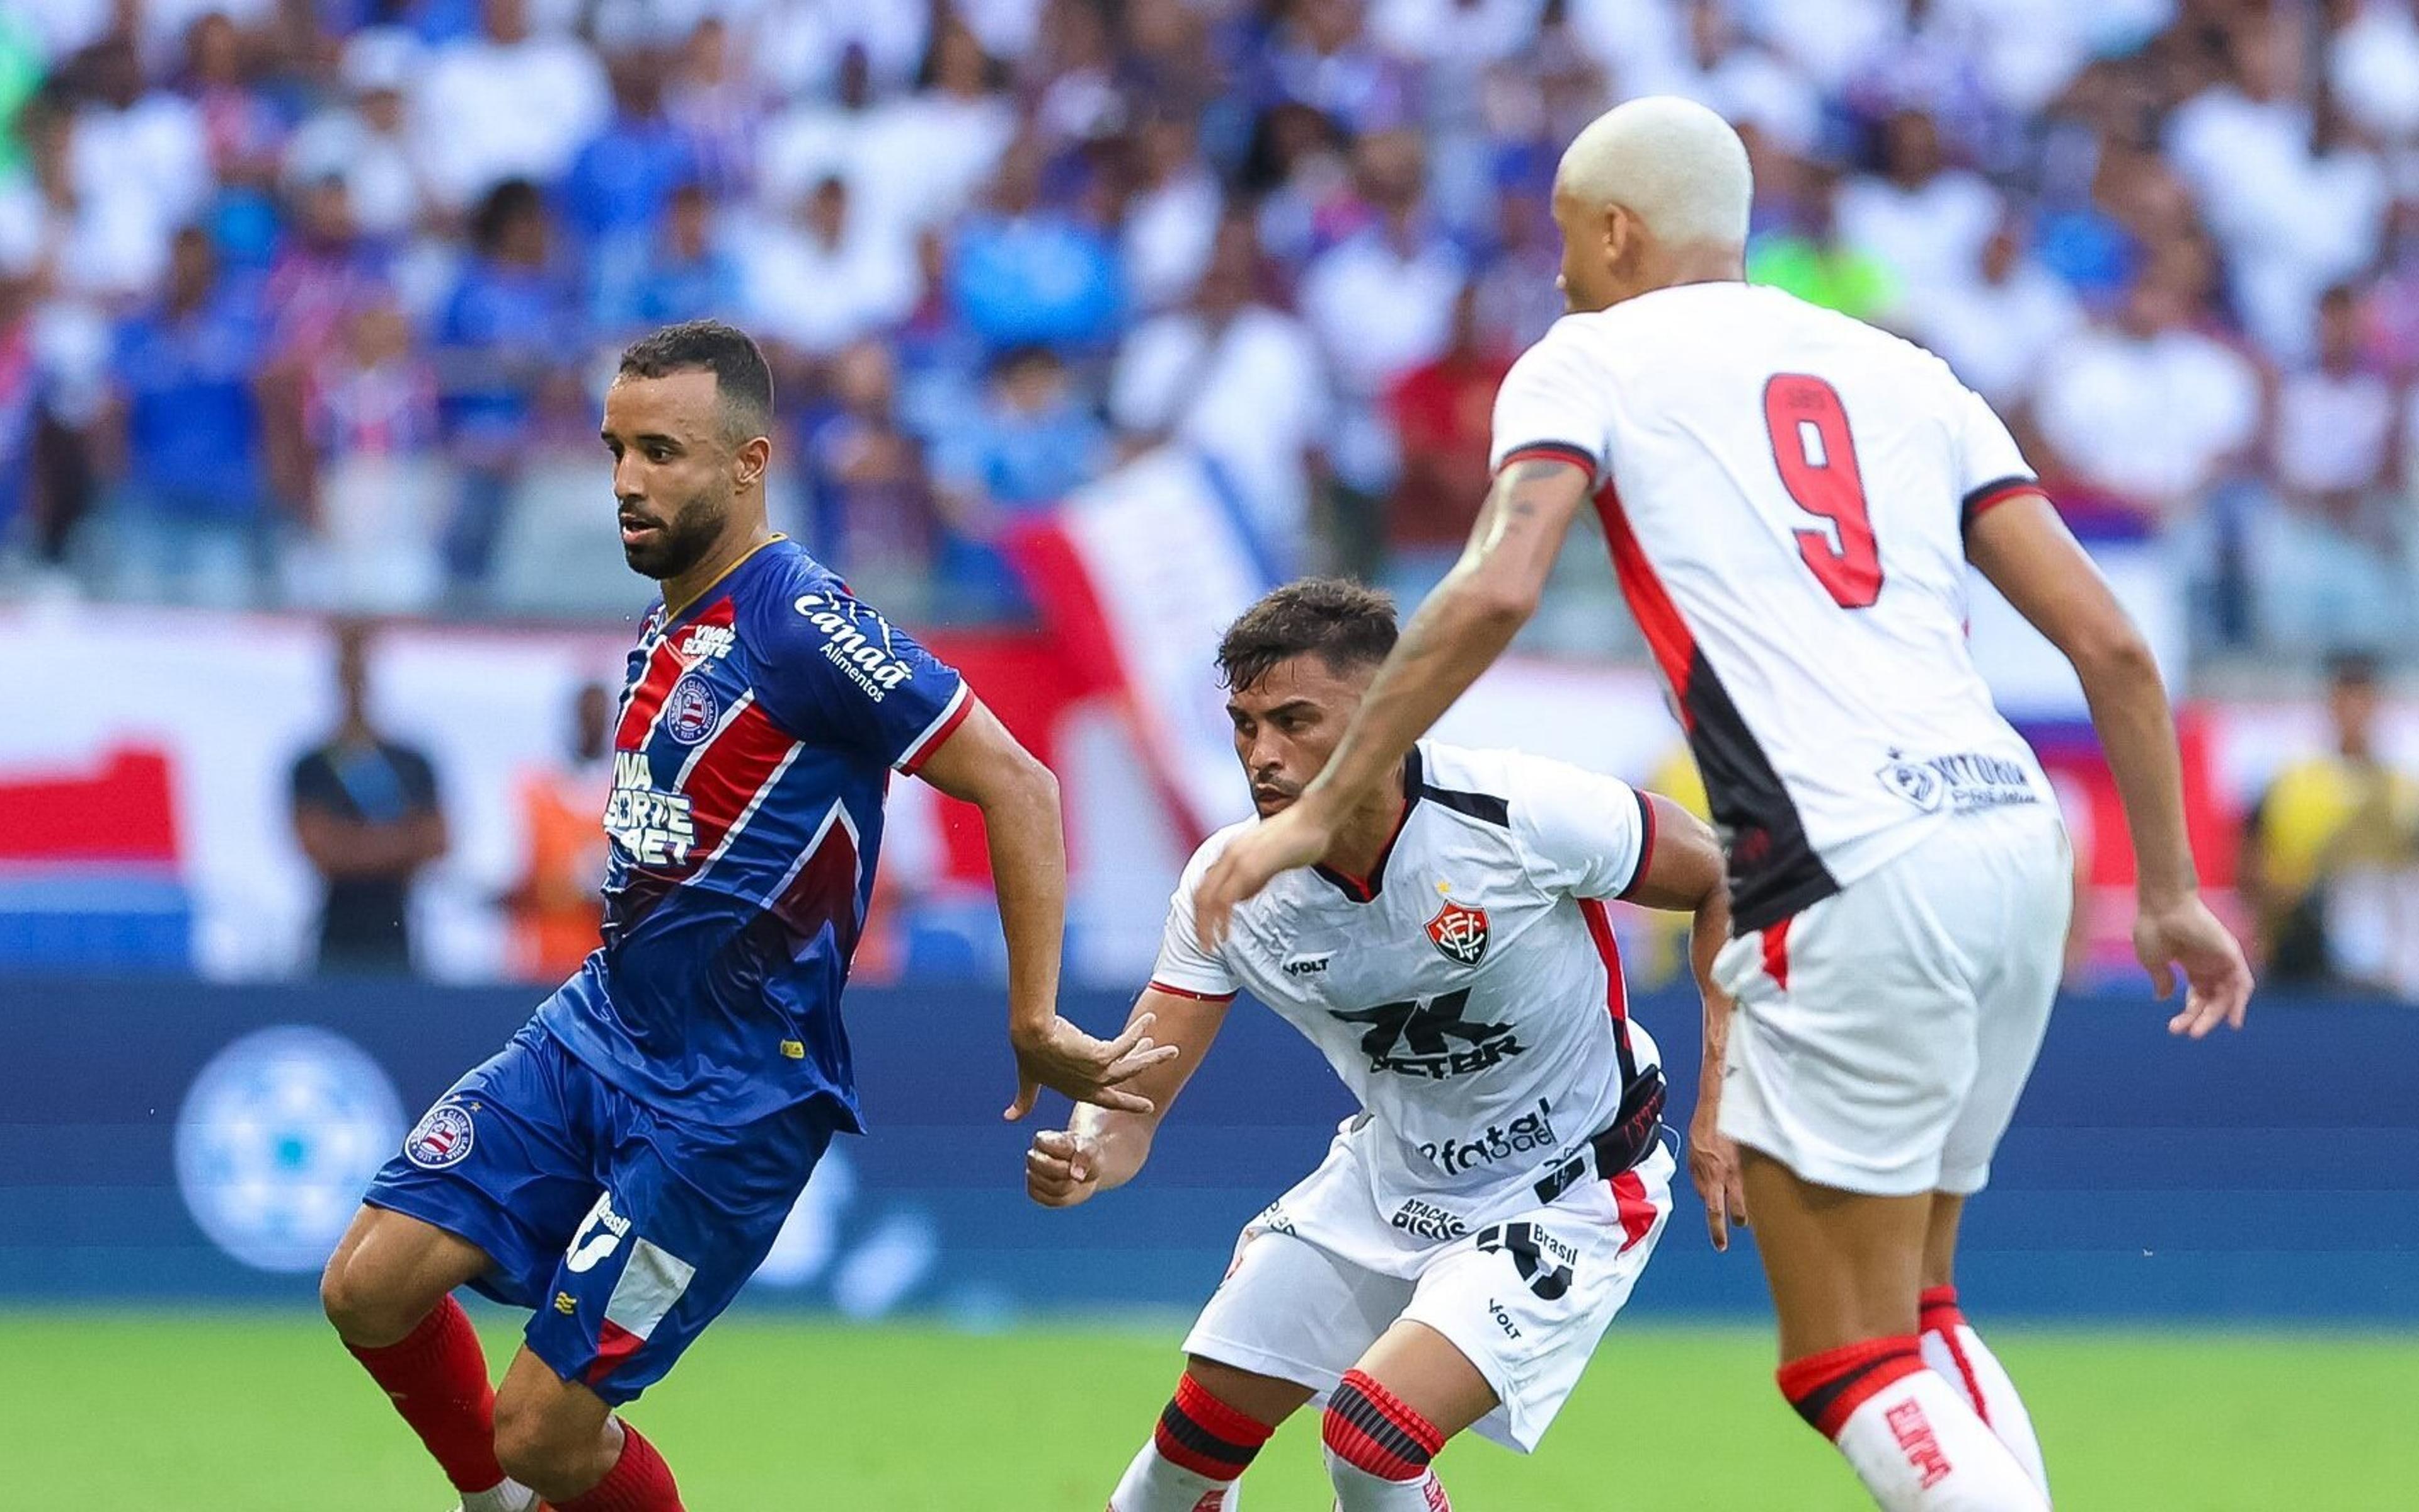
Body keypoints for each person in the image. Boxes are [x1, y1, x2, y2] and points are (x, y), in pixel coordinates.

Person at [1194, 99, 2255, 1512]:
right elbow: (2115, 642)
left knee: (1846, 1358)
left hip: (1838, 857)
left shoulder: (1586, 357)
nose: (1562, 275)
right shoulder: (1912, 373)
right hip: (2011, 835)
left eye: (1571, 243)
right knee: (1925, 1311)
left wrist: (1318, 811)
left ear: (1618, 232)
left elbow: (1499, 585)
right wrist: (2174, 889)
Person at [318, 321, 1172, 1512]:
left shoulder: (801, 619)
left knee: (546, 1435)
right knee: (368, 1284)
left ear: (748, 463)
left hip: (730, 1101)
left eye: (661, 452)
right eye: (615, 448)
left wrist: (1035, 1015)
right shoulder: (676, 610)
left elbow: (1019, 784)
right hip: (599, 1031)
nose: (625, 481)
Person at [1030, 578, 1734, 1512]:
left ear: (1391, 711)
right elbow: (1131, 1101)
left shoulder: (1519, 813)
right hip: (1391, 1182)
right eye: (1244, 726)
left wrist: (1731, 1092)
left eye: (1294, 721)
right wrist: (1087, 1149)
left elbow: (1726, 878)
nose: (1262, 756)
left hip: (1574, 1186)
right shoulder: (1231, 885)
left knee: (1371, 1439)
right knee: (1183, 1459)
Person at [2241, 650, 2419, 983]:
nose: (2354, 710)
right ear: (2331, 702)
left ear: (2376, 704)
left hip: (2390, 963)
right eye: (2345, 696)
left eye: (2362, 698)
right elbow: (2250, 862)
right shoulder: (2293, 783)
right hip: (2302, 954)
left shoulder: (2403, 792)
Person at [290, 619, 447, 975]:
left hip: (398, 932)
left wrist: (353, 843)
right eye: (347, 666)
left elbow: (437, 843)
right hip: (335, 934)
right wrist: (400, 842)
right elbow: (322, 852)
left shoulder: (412, 763)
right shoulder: (312, 766)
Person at [499, 680, 615, 983]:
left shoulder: (629, 797)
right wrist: (567, 888)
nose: (592, 726)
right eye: (586, 715)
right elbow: (509, 888)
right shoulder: (534, 791)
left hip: (609, 976)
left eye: (600, 717)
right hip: (542, 971)